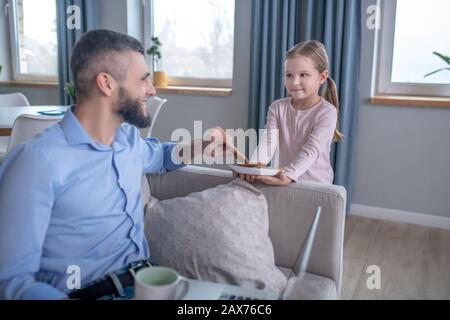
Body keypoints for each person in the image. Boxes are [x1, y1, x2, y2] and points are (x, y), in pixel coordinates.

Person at [0, 29, 235, 300]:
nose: (152, 89)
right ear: (107, 84)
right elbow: (11, 282)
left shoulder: (127, 139)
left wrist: (205, 143)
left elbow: (162, 158)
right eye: (144, 79)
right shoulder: (36, 162)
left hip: (149, 284)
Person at [239, 40, 343, 186]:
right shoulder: (277, 108)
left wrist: (289, 174)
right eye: (289, 75)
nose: (294, 82)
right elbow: (268, 142)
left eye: (303, 75)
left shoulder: (327, 112)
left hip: (316, 185)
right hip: (285, 181)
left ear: (322, 77)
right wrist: (255, 167)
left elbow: (312, 149)